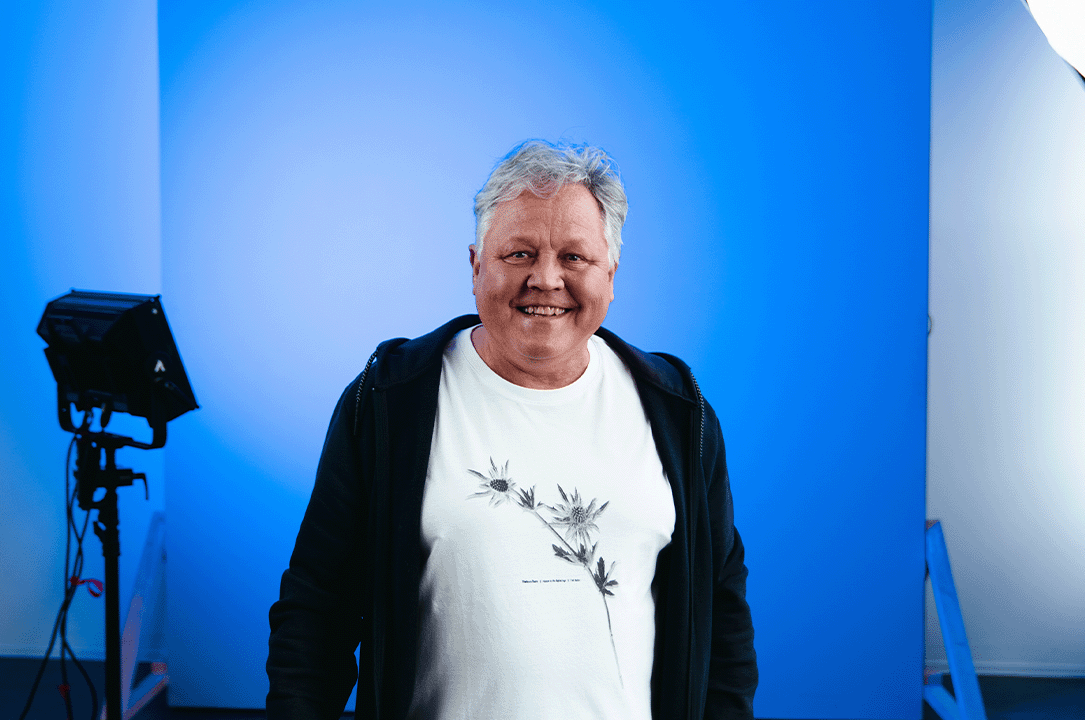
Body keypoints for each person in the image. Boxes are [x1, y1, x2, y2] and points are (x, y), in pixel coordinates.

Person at [267, 139, 757, 720]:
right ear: (476, 266)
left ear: (611, 273)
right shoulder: (389, 401)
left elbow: (721, 615)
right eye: (519, 254)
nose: (546, 279)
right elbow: (315, 609)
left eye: (574, 257)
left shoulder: (678, 412)